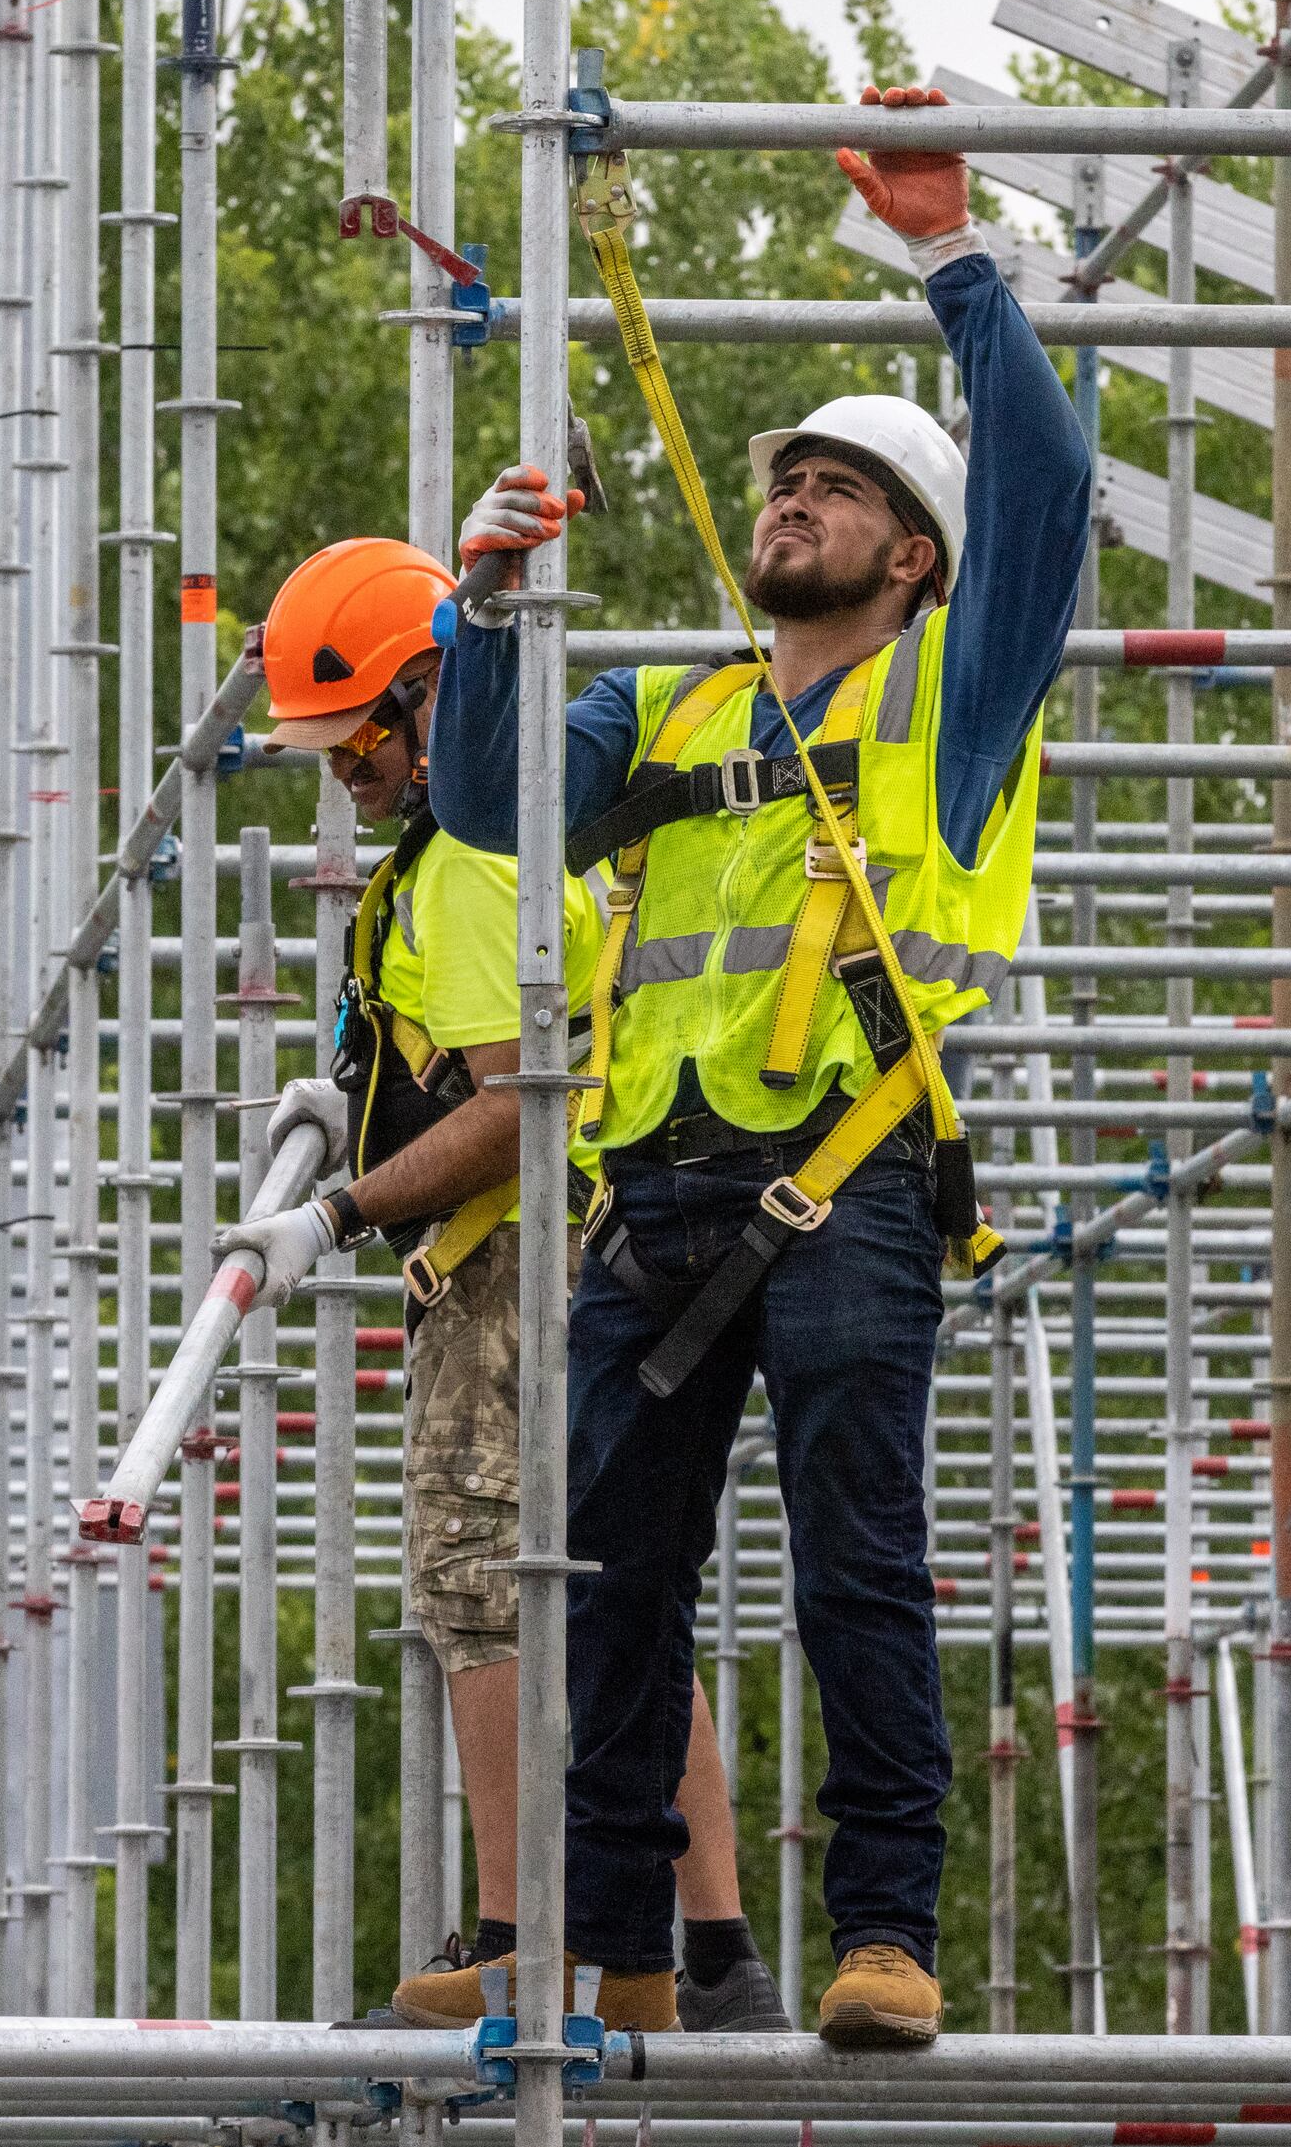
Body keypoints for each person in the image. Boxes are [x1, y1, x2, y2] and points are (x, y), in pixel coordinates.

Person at [427, 86, 1093, 2048]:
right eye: (780, 479)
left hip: (848, 1182)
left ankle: (885, 1930)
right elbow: (485, 802)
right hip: (659, 1200)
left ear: (913, 555)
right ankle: (617, 1945)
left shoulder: (950, 699)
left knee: (857, 1563)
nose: (789, 498)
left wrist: (954, 263)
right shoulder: (666, 700)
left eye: (834, 487)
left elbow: (1044, 492)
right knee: (608, 1583)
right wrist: (483, 610)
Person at [218, 536, 784, 2037]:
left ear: (425, 694)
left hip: (518, 1258)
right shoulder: (472, 850)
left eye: (356, 743)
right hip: (573, 1240)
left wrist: (336, 1212)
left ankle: (523, 1932)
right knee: (619, 1594)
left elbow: (518, 1093)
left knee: (483, 1584)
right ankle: (709, 1948)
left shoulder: (467, 856)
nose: (343, 777)